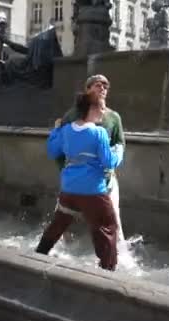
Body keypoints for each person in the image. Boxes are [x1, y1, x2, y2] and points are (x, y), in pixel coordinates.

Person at [36, 92, 124, 271]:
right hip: (93, 191)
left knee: (60, 222)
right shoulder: (98, 132)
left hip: (69, 189)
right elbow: (109, 162)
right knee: (108, 227)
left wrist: (56, 130)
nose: (103, 111)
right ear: (91, 108)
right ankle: (108, 272)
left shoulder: (67, 130)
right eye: (101, 107)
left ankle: (39, 254)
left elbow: (53, 151)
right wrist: (119, 150)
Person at [55, 75, 127, 242]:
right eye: (97, 85)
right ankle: (56, 250)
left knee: (114, 218)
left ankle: (119, 257)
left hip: (105, 180)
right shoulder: (71, 115)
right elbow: (59, 146)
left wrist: (111, 166)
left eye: (105, 86)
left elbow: (120, 142)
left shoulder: (114, 117)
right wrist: (63, 170)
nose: (102, 88)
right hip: (75, 178)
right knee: (63, 217)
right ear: (87, 90)